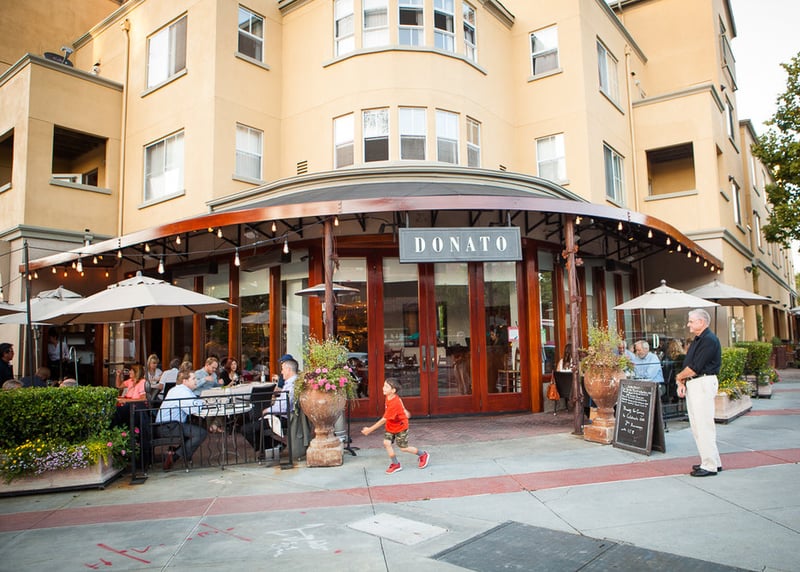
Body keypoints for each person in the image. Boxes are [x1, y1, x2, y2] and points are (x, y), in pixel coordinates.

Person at [676, 308, 722, 477]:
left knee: (703, 426)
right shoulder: (700, 339)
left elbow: (695, 367)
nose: (688, 324)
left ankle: (709, 465)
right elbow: (690, 365)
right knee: (698, 425)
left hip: (702, 382)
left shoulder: (708, 340)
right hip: (696, 383)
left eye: (691, 321)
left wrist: (679, 377)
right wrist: (682, 380)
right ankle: (712, 461)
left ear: (701, 322)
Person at [361, 378, 429, 474]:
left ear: (393, 390)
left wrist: (369, 430)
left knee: (403, 448)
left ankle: (423, 454)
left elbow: (384, 419)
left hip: (401, 427)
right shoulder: (389, 396)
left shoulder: (394, 404)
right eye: (384, 385)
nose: (383, 388)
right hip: (391, 425)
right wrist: (404, 410)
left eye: (386, 387)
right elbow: (399, 400)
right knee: (386, 443)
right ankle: (396, 464)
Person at [240, 357, 299, 457]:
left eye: (283, 369)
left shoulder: (291, 385)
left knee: (246, 429)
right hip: (282, 414)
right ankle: (272, 446)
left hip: (284, 417)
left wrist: (268, 410)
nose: (281, 372)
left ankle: (270, 447)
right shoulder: (292, 382)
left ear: (288, 369)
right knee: (253, 419)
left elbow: (283, 407)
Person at [154, 370, 208, 470]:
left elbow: (194, 403)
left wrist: (200, 402)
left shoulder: (180, 390)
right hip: (168, 426)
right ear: (185, 381)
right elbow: (193, 409)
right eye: (193, 378)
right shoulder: (182, 391)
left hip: (167, 425)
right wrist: (202, 402)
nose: (196, 381)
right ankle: (174, 456)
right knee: (200, 433)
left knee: (195, 430)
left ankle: (174, 453)